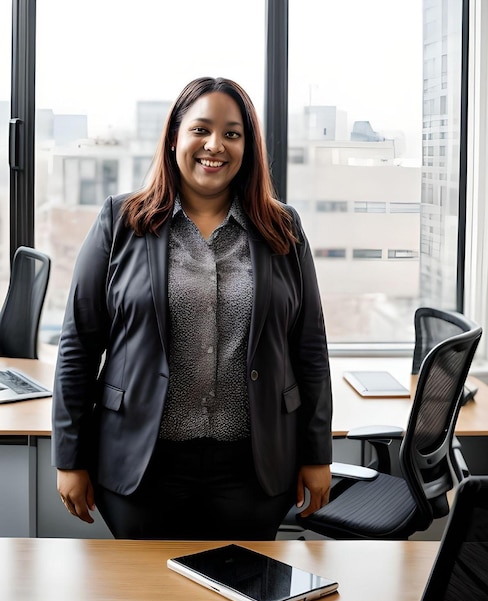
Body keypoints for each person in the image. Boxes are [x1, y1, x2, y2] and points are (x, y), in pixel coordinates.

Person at [51, 76, 333, 540]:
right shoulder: (121, 222)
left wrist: (317, 453)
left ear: (249, 147)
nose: (215, 145)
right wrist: (70, 457)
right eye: (200, 129)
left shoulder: (283, 228)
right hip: (143, 464)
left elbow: (310, 347)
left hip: (255, 466)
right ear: (175, 137)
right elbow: (79, 345)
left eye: (232, 133)